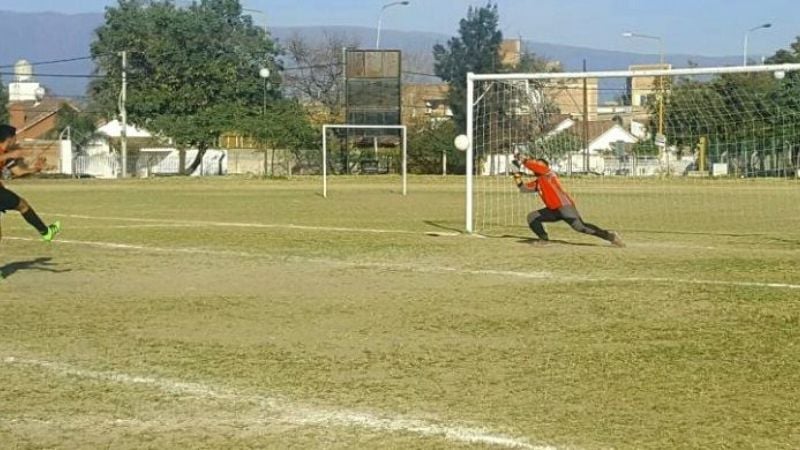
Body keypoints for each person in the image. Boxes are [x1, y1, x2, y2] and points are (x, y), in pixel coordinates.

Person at [513, 156, 624, 247]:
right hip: (553, 210)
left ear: (545, 167)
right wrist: (516, 175)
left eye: (539, 164)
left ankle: (611, 236)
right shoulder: (539, 182)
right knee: (532, 217)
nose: (537, 165)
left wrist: (522, 159)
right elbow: (523, 189)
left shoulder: (547, 173)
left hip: (564, 207)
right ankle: (544, 239)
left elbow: (534, 166)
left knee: (580, 227)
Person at [0, 125, 62, 249]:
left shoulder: (7, 155)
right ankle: (45, 232)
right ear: (9, 138)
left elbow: (17, 172)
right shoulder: (6, 154)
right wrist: (11, 155)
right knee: (22, 205)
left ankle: (46, 232)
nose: (16, 141)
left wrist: (36, 169)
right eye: (15, 138)